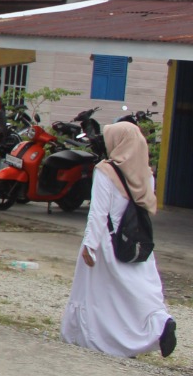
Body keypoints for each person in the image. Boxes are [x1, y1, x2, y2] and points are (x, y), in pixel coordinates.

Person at [62, 122, 176, 359]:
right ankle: (159, 323)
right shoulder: (146, 173)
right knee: (140, 290)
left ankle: (98, 338)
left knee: (101, 294)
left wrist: (90, 245)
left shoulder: (106, 170)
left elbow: (99, 212)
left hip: (108, 241)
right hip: (137, 241)